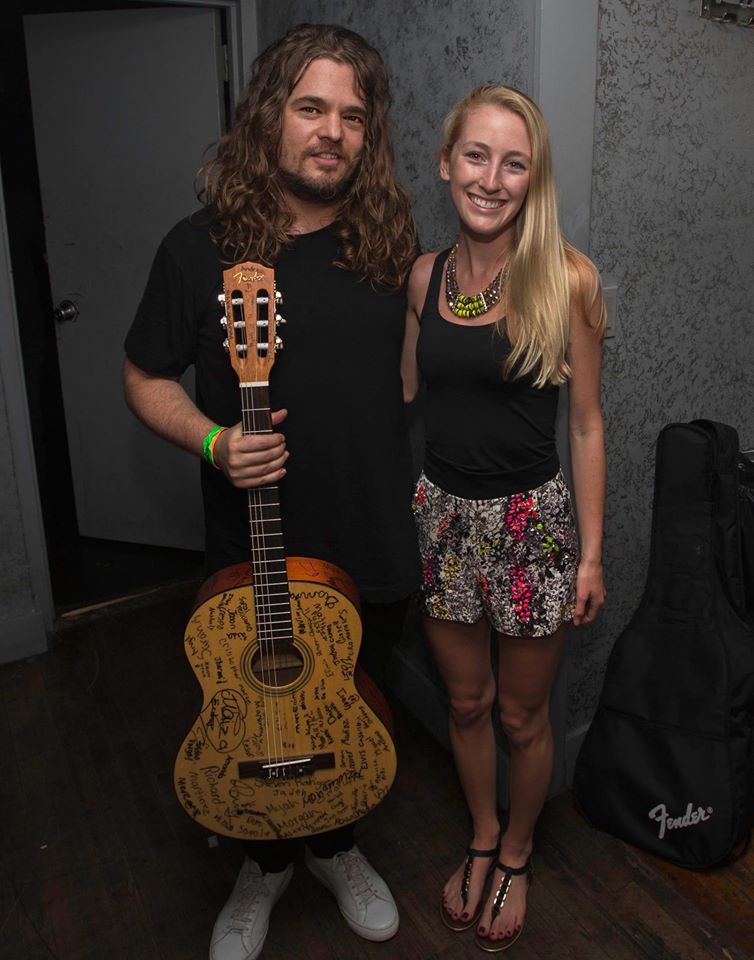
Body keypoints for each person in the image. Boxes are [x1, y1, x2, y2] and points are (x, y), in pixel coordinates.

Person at [123, 23, 420, 960]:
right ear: (268, 117)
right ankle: (261, 864)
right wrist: (214, 440)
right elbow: (144, 375)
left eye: (352, 115)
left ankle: (335, 847)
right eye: (310, 108)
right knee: (256, 715)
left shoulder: (389, 243)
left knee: (343, 720)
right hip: (252, 554)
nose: (331, 131)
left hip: (371, 544)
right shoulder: (195, 248)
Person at [400, 84, 606, 953]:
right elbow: (411, 395)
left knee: (525, 718)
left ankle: (518, 853)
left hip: (533, 527)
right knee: (466, 701)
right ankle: (482, 834)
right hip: (443, 516)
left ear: (534, 177)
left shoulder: (566, 278)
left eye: (513, 162)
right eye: (475, 156)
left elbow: (588, 424)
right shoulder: (424, 275)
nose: (491, 178)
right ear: (446, 163)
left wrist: (591, 557)